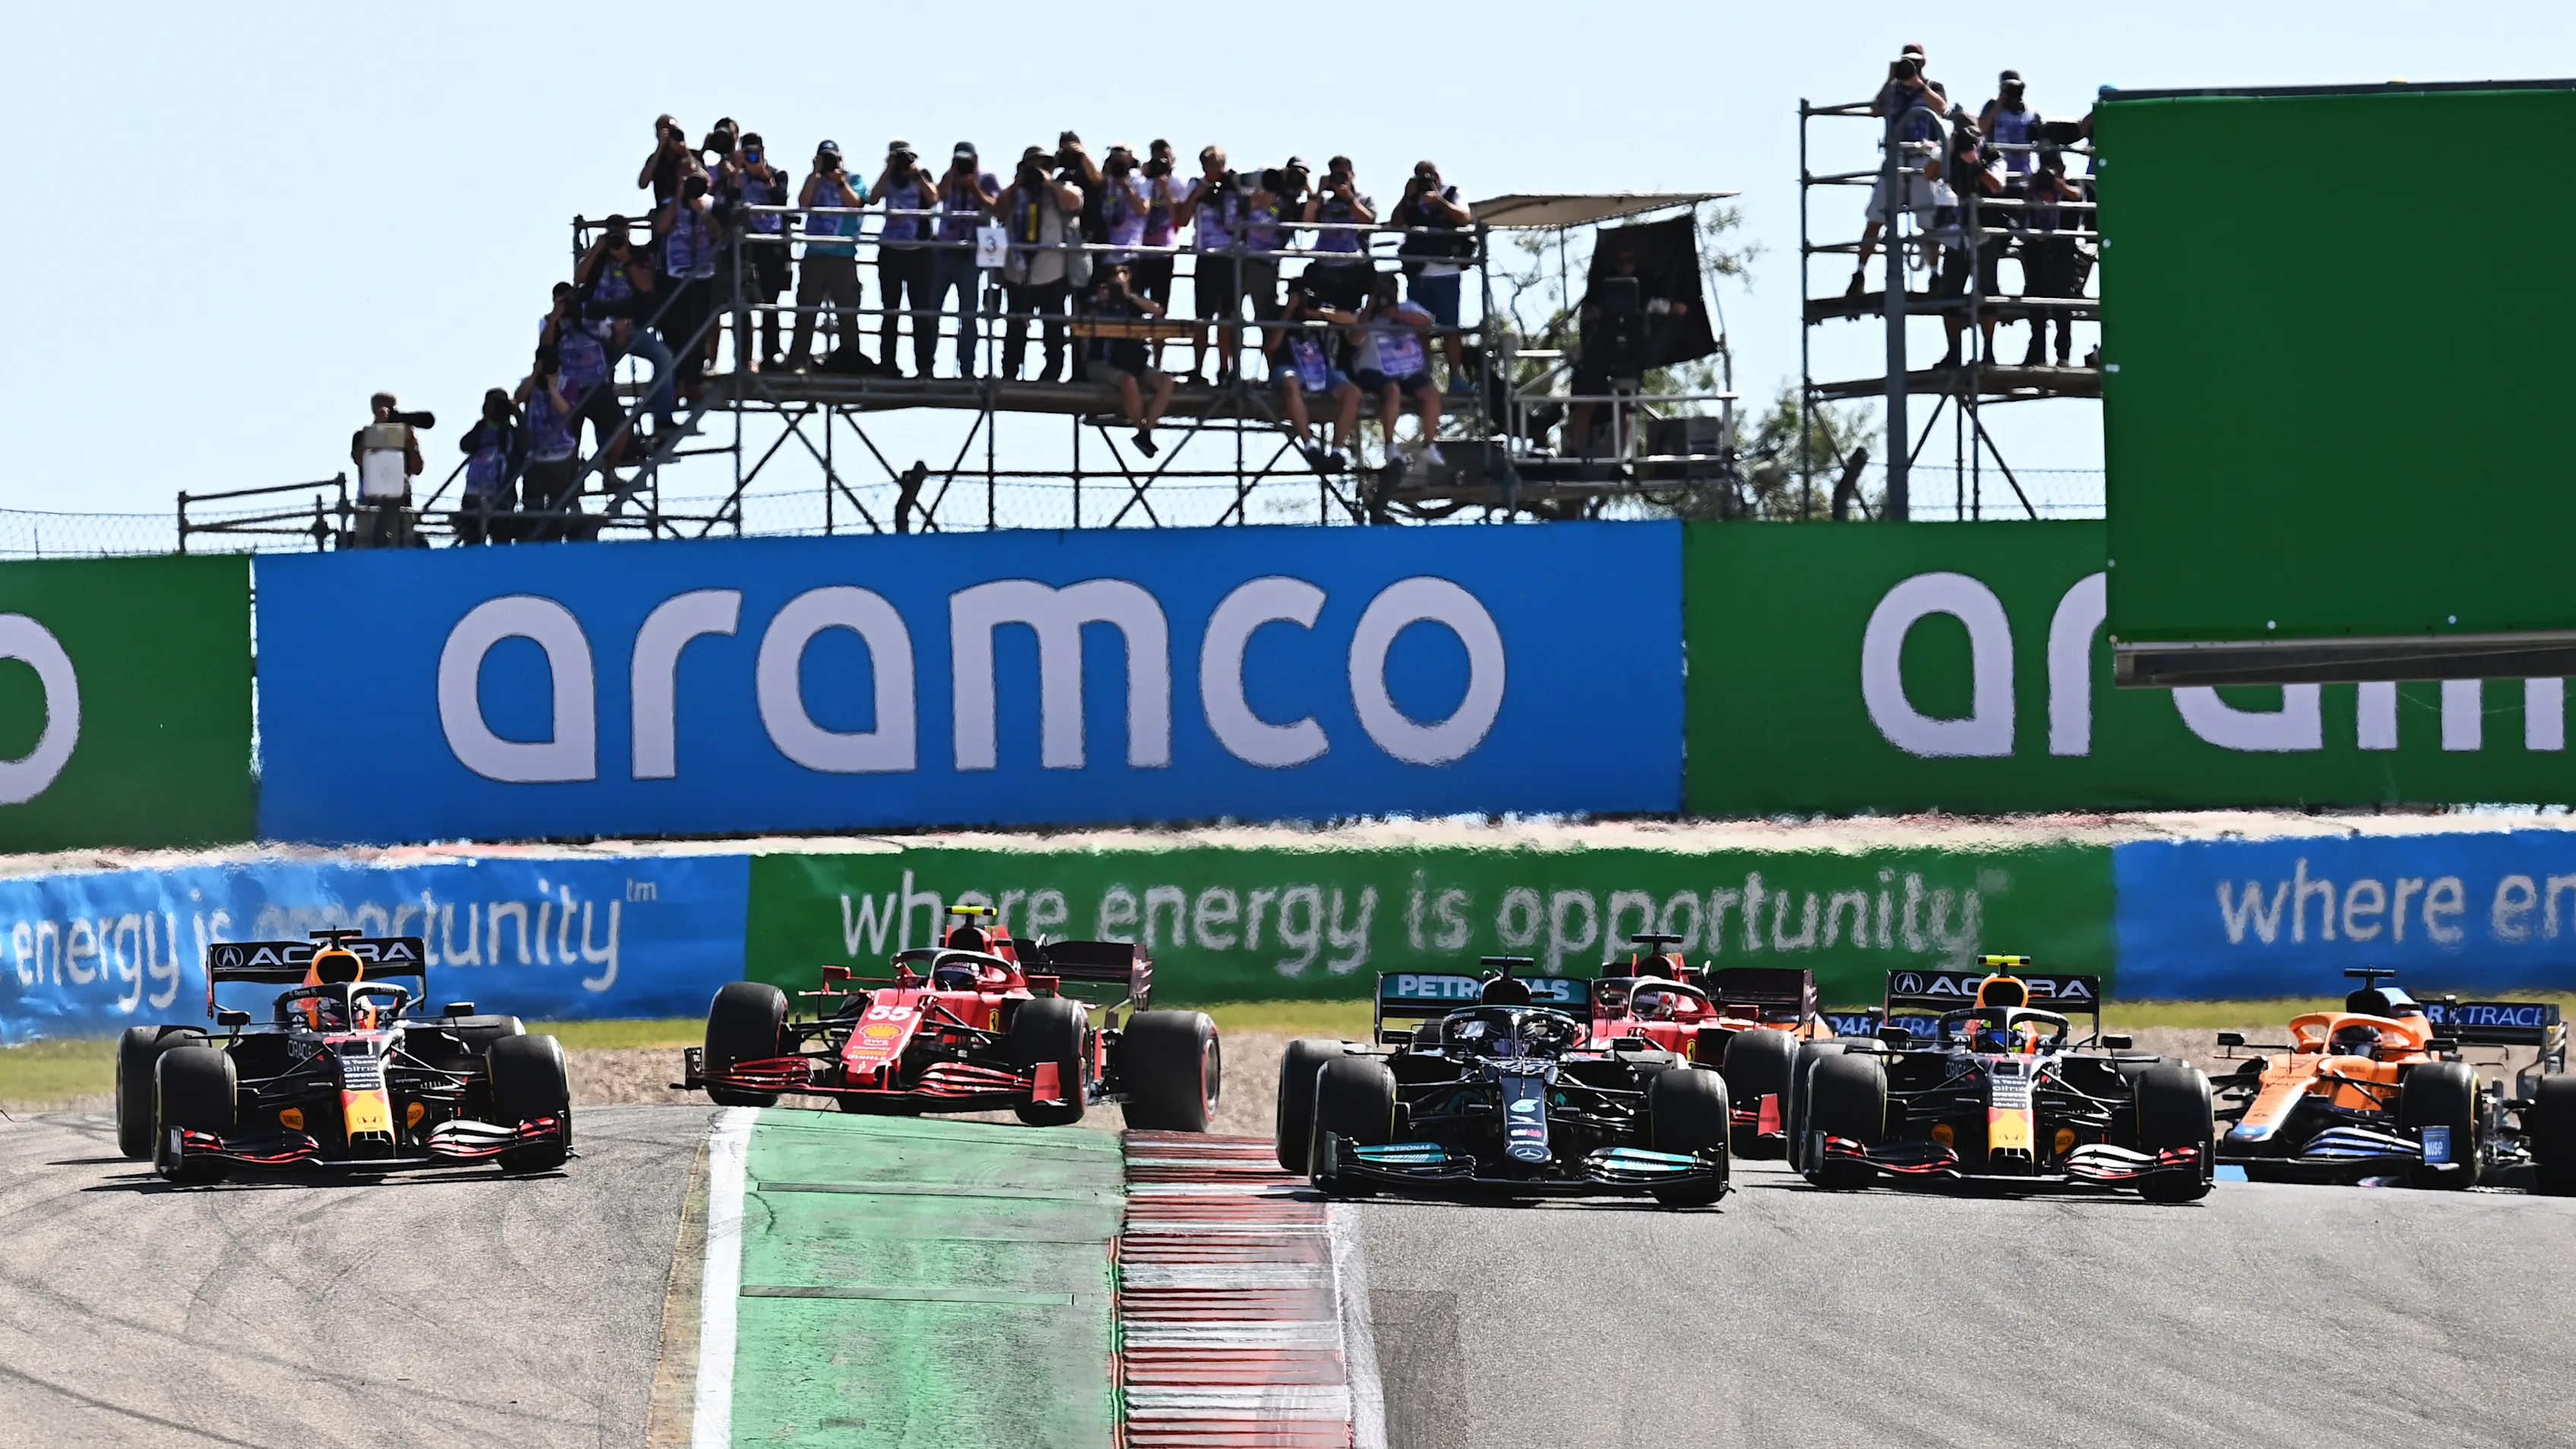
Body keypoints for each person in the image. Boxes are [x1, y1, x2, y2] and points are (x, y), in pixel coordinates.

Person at [1851, 46, 1953, 293]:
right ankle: (1859, 273)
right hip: (1894, 158)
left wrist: (1919, 85)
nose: (1910, 67)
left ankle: (1935, 275)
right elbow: (1875, 109)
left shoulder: (1932, 87)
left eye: (1915, 63)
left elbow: (1942, 109)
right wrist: (1890, 79)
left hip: (1922, 159)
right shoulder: (1892, 89)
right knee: (1876, 217)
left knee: (1928, 220)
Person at [575, 218, 676, 434]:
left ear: (628, 234)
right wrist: (597, 249)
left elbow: (645, 286)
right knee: (600, 385)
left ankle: (663, 420)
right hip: (598, 329)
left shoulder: (639, 256)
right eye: (612, 235)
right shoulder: (598, 258)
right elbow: (579, 279)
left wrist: (626, 259)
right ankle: (609, 438)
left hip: (630, 325)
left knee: (664, 356)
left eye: (620, 235)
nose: (616, 239)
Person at [997, 147, 1084, 382]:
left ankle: (1053, 372)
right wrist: (1018, 184)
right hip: (1018, 272)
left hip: (1051, 272)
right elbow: (998, 210)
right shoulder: (1015, 193)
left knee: (1053, 327)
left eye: (1044, 166)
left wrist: (1049, 184)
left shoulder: (1061, 188)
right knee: (1016, 326)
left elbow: (1075, 203)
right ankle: (1009, 372)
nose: (1038, 171)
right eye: (1032, 166)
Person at [1927, 121, 2006, 367]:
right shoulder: (1951, 155)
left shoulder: (1992, 156)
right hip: (1956, 233)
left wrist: (1975, 162)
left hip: (1984, 232)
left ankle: (1988, 353)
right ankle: (1954, 353)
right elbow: (1928, 174)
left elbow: (1996, 185)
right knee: (1950, 295)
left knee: (1987, 293)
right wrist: (1947, 150)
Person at [1080, 263, 1176, 456]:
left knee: (1166, 383)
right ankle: (1142, 430)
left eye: (1123, 275)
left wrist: (1129, 295)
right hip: (1102, 362)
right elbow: (1085, 321)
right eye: (1114, 276)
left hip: (1132, 361)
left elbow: (1158, 311)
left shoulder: (1133, 302)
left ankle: (1146, 431)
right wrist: (1102, 301)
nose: (1118, 279)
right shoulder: (1095, 301)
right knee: (1129, 382)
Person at [1348, 273, 1443, 465]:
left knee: (1432, 394)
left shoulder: (1408, 308)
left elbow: (1427, 323)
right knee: (1392, 391)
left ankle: (1429, 445)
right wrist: (1370, 311)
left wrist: (1397, 314)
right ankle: (1390, 445)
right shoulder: (1363, 315)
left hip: (1407, 370)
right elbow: (1354, 340)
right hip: (1374, 371)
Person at [1392, 160, 1473, 383]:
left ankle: (1456, 378)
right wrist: (1407, 196)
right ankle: (1422, 377)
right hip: (1418, 275)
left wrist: (1439, 201)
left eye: (1431, 176)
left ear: (1439, 175)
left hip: (1446, 273)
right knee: (1419, 329)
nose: (1428, 180)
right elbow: (1395, 223)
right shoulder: (1412, 199)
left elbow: (1464, 218)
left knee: (1450, 329)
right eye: (1422, 177)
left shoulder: (1453, 193)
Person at [790, 140, 868, 370]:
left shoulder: (854, 179)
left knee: (847, 312)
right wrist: (815, 173)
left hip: (843, 256)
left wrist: (839, 181)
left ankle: (850, 361)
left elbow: (856, 204)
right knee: (806, 311)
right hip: (814, 255)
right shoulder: (813, 180)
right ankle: (798, 360)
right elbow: (803, 203)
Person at [1273, 284, 1362, 469]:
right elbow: (1271, 346)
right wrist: (1289, 311)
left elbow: (1352, 320)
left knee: (1353, 393)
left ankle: (1337, 450)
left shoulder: (1318, 311)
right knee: (1290, 382)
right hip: (1290, 367)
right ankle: (1310, 446)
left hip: (1320, 369)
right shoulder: (1278, 313)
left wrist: (1320, 313)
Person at [1178, 146, 1245, 385]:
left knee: (1228, 318)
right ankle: (1198, 369)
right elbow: (1182, 220)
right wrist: (1198, 193)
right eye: (1209, 165)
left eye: (1217, 165)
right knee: (1203, 318)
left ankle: (1226, 370)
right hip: (1205, 258)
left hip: (1230, 258)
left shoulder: (1235, 187)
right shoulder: (1196, 185)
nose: (1214, 170)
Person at [933, 142, 1000, 377]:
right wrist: (952, 174)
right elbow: (937, 196)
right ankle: (926, 366)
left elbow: (996, 207)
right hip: (945, 251)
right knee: (932, 311)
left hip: (971, 252)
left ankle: (967, 368)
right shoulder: (948, 177)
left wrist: (973, 187)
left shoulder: (987, 179)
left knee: (968, 314)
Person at [871, 140, 937, 378]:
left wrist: (917, 174)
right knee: (890, 311)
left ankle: (925, 367)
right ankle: (888, 364)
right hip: (891, 250)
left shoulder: (922, 175)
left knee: (921, 312)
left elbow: (934, 199)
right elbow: (873, 198)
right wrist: (888, 169)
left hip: (919, 251)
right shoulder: (888, 177)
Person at [542, 283, 623, 471]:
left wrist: (618, 329)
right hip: (568, 390)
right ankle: (573, 480)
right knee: (570, 440)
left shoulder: (590, 316)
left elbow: (612, 336)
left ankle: (609, 469)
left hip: (597, 385)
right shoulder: (549, 323)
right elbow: (544, 348)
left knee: (620, 427)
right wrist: (555, 319)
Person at [728, 133, 791, 370]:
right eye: (747, 153)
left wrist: (765, 177)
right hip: (745, 244)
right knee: (742, 301)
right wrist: (737, 172)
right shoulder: (737, 177)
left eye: (755, 153)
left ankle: (771, 353)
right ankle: (743, 358)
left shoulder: (778, 174)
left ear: (763, 151)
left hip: (770, 242)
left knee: (770, 301)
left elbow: (781, 200)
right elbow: (732, 201)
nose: (752, 157)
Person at [658, 161, 720, 401]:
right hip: (674, 276)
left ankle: (693, 380)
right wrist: (678, 196)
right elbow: (661, 227)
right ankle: (677, 382)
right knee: (675, 332)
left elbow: (718, 232)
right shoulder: (668, 203)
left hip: (703, 276)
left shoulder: (710, 204)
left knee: (698, 331)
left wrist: (702, 210)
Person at [2019, 149, 2083, 366]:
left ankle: (2063, 356)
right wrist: (2033, 186)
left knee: (2062, 306)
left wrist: (2059, 185)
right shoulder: (2035, 186)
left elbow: (2078, 196)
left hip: (2061, 251)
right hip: (2036, 250)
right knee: (2036, 304)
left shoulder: (2070, 183)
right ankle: (2037, 354)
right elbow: (2022, 209)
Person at [1132, 140, 1189, 368]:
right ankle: (1134, 357)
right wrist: (1145, 175)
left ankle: (1158, 363)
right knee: (1134, 307)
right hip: (1140, 251)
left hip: (1164, 253)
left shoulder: (1178, 183)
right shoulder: (1142, 179)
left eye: (1165, 158)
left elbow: (1179, 218)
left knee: (1160, 309)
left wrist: (1165, 189)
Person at [514, 354, 582, 541]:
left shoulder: (568, 384)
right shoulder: (530, 383)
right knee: (532, 504)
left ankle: (554, 539)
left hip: (561, 454)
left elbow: (566, 411)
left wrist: (553, 387)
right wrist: (534, 376)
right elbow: (518, 399)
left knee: (558, 504)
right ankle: (531, 539)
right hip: (534, 454)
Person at [1302, 156, 1375, 309]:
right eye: (1336, 175)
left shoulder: (1363, 199)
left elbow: (1369, 221)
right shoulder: (1324, 201)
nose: (1341, 179)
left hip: (1353, 266)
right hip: (1324, 264)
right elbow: (1307, 225)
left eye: (1344, 174)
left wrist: (1349, 198)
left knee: (1348, 311)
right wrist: (1318, 192)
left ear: (1352, 175)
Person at [455, 388, 525, 545]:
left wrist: (517, 413)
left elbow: (525, 445)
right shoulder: (482, 428)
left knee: (501, 540)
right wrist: (486, 420)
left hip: (503, 494)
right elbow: (465, 445)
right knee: (471, 539)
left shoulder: (513, 433)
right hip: (474, 493)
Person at [1979, 71, 2043, 188]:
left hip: (2023, 172)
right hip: (1996, 169)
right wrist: (1998, 106)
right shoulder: (1992, 106)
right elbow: (1982, 129)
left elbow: (2040, 142)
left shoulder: (2031, 113)